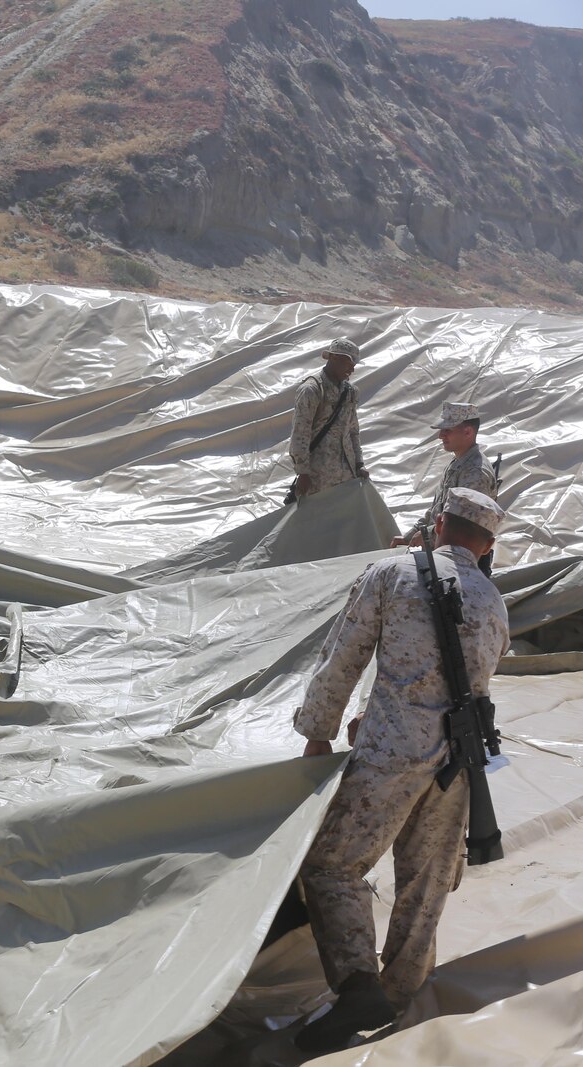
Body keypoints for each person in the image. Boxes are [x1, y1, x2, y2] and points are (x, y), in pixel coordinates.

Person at [291, 488, 509, 1053]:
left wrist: (319, 730)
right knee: (426, 880)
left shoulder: (390, 574)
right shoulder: (493, 599)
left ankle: (358, 985)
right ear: (487, 545)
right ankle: (402, 999)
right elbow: (473, 683)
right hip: (457, 760)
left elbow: (344, 656)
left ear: (439, 523)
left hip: (391, 753)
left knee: (332, 865)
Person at [390, 402, 497, 549]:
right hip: (444, 551)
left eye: (448, 430)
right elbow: (437, 510)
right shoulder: (458, 463)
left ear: (468, 432)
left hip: (460, 559)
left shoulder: (475, 472)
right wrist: (409, 537)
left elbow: (463, 525)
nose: (441, 436)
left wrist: (426, 535)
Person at [289, 338, 369, 500]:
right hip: (318, 478)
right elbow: (300, 434)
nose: (352, 369)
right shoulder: (312, 390)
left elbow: (353, 431)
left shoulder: (350, 392)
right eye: (349, 362)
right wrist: (303, 473)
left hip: (346, 475)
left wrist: (359, 464)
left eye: (354, 364)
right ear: (333, 358)